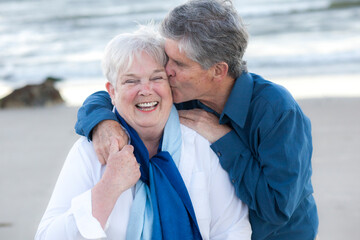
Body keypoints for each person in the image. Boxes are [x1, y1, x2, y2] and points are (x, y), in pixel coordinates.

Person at [75, 0, 318, 239]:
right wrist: (102, 122)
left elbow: (276, 208)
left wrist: (224, 139)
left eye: (178, 64)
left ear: (217, 71)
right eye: (167, 58)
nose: (166, 70)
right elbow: (115, 92)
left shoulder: (276, 111)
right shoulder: (181, 89)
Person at [35, 25, 251, 240]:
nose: (146, 90)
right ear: (112, 91)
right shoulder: (90, 152)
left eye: (157, 78)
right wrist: (108, 188)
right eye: (131, 81)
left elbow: (232, 229)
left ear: (171, 85)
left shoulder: (202, 143)